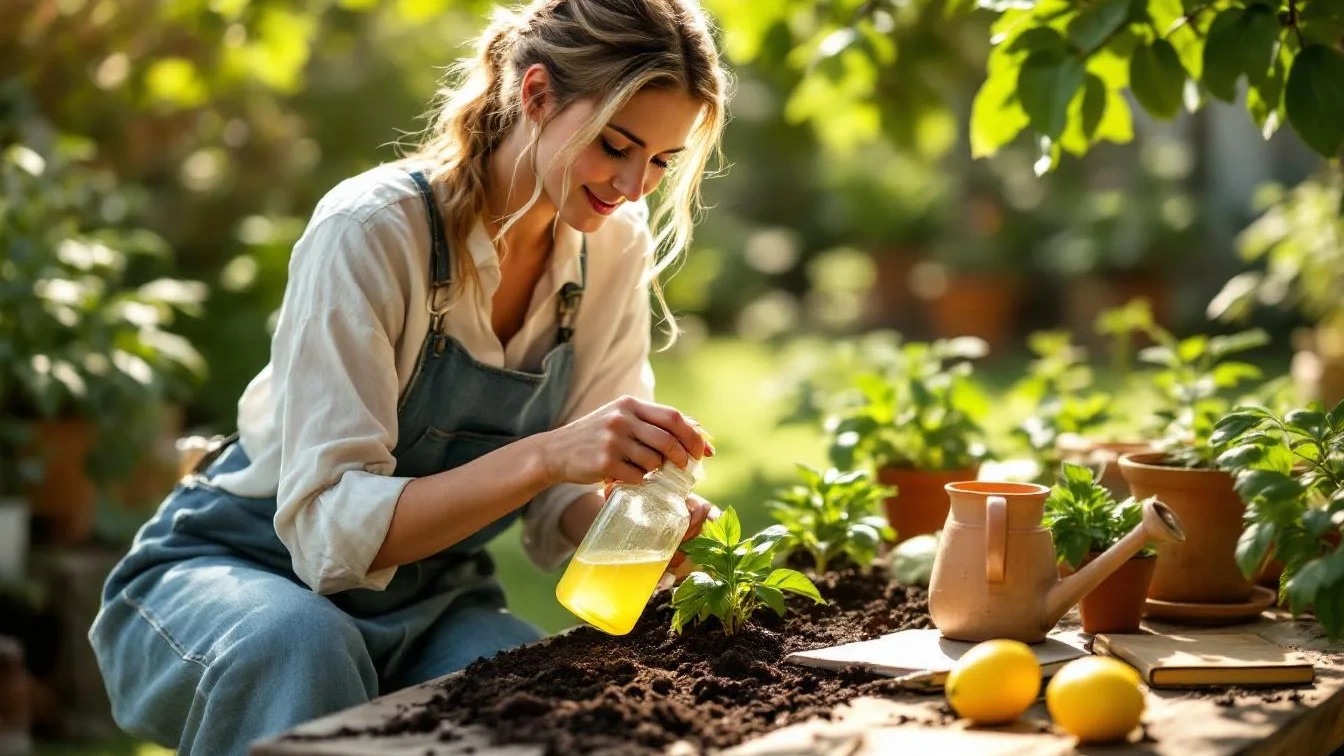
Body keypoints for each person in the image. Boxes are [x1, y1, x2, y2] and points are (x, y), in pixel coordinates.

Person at [89, 0, 729, 752]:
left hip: (433, 599)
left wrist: (647, 526)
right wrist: (548, 453)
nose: (633, 185)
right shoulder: (371, 231)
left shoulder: (609, 249)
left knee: (531, 703)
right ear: (535, 95)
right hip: (242, 571)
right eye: (616, 145)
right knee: (301, 648)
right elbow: (329, 531)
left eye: (661, 160)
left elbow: (562, 504)